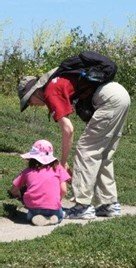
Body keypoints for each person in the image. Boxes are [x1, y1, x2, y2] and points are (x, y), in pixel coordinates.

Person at [17, 55, 131, 219]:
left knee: (86, 150)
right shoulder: (57, 83)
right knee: (103, 153)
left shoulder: (50, 90)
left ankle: (82, 206)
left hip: (108, 99)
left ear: (35, 91)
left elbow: (68, 129)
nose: (31, 105)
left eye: (29, 101)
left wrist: (62, 163)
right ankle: (108, 204)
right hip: (119, 94)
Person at [9, 139, 71, 226]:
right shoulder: (58, 168)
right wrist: (57, 200)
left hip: (34, 208)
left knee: (29, 216)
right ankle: (54, 218)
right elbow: (64, 190)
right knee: (60, 214)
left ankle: (35, 217)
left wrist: (18, 195)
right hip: (53, 207)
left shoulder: (27, 171)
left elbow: (14, 189)